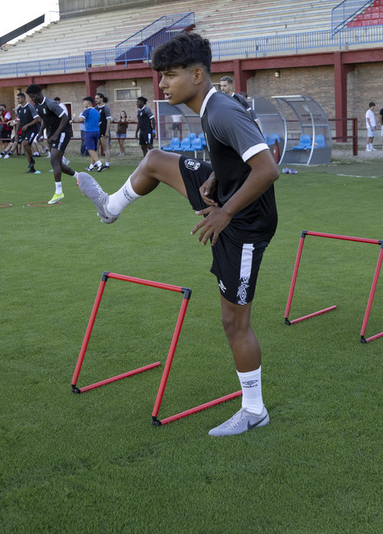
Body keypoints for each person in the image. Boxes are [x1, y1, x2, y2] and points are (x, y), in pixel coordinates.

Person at [76, 33, 279, 437]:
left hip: (245, 221)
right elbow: (235, 156)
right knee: (154, 160)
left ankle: (254, 410)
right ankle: (110, 207)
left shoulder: (221, 110)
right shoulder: (211, 107)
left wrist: (224, 211)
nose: (162, 85)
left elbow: (267, 169)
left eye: (169, 76)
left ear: (197, 74)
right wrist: (217, 178)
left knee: (233, 321)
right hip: (227, 195)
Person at [26, 83, 77, 204]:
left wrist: (56, 134)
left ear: (39, 93)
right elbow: (44, 119)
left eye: (32, 97)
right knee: (57, 163)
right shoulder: (37, 105)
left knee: (54, 160)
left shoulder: (51, 104)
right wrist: (40, 133)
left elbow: (65, 118)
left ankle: (59, 192)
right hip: (53, 134)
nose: (31, 99)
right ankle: (79, 177)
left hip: (63, 133)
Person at [12, 91, 43, 173]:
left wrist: (27, 125)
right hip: (24, 131)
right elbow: (18, 122)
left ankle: (32, 159)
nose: (17, 100)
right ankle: (32, 168)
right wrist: (16, 133)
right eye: (17, 98)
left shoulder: (30, 107)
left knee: (25, 143)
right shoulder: (19, 109)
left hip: (32, 130)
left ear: (23, 98)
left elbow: (37, 119)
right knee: (26, 147)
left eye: (18, 98)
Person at [77, 96, 107, 172]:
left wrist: (72, 120)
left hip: (89, 132)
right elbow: (99, 123)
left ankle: (100, 164)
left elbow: (81, 119)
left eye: (84, 102)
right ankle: (91, 166)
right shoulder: (97, 111)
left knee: (90, 149)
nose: (83, 103)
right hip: (97, 131)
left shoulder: (86, 111)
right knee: (93, 149)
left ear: (87, 103)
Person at [95, 92, 111, 162]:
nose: (96, 100)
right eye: (95, 98)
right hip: (96, 130)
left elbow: (109, 120)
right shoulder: (95, 108)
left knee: (105, 147)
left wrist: (107, 131)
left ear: (101, 99)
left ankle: (107, 164)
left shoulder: (105, 108)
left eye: (97, 98)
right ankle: (97, 163)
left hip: (103, 130)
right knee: (96, 147)